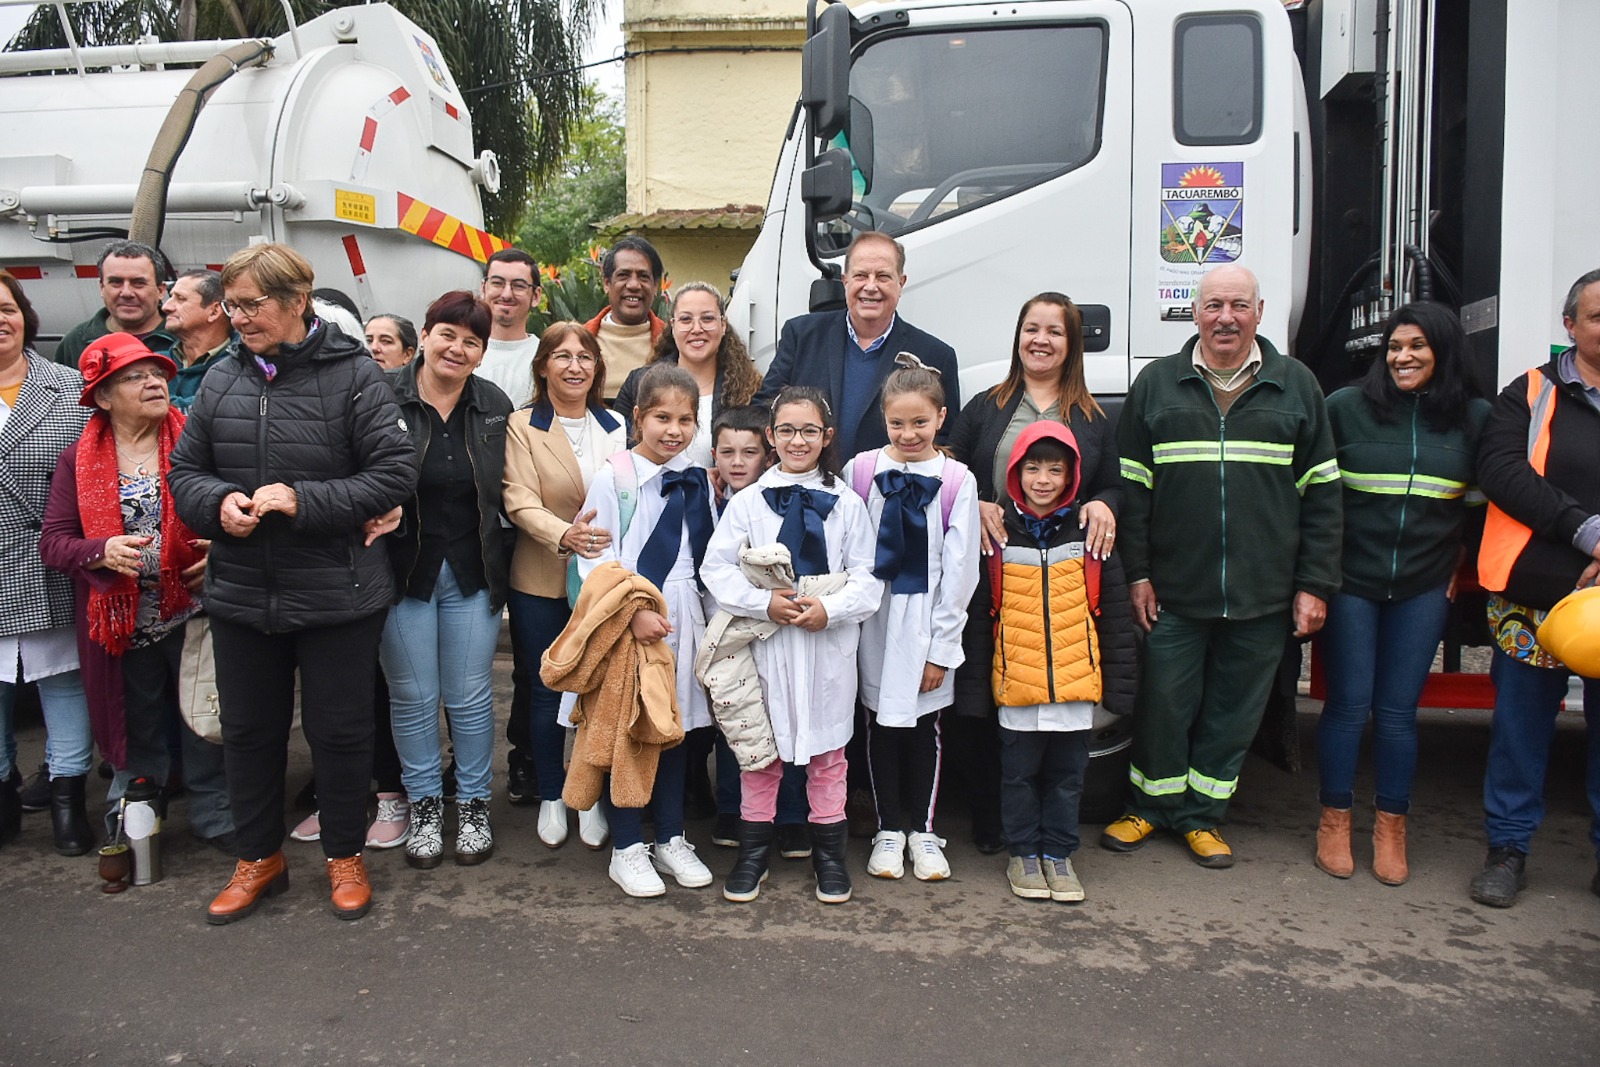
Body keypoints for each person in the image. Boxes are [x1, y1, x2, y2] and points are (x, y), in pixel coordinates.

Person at [168, 242, 418, 924]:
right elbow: (183, 473)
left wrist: (302, 501)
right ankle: (259, 859)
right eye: (232, 305)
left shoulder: (355, 374)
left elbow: (394, 472)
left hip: (338, 592)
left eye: (251, 304)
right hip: (244, 592)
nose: (238, 318)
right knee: (249, 733)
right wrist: (217, 503)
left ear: (297, 302)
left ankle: (344, 854)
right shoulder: (223, 377)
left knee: (339, 734)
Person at [1105, 264, 1341, 868]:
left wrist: (1314, 585)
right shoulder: (1157, 385)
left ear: (1260, 313)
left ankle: (1202, 817)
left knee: (1234, 713)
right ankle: (1148, 808)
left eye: (1239, 305)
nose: (1225, 318)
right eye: (1213, 306)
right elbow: (1132, 494)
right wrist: (1137, 575)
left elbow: (1322, 494)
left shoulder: (1298, 387)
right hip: (1175, 592)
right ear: (1194, 312)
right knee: (1163, 705)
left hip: (1264, 593)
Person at [1316, 302, 1489, 885]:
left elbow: (1478, 507)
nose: (1402, 356)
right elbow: (1317, 500)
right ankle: (1334, 820)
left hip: (1423, 585)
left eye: (1416, 346)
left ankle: (1391, 826)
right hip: (1352, 584)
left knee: (1397, 713)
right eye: (1394, 346)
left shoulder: (1473, 418)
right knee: (1346, 706)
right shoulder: (1345, 409)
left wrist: (1460, 556)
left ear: (1442, 351)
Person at [39, 332, 233, 852]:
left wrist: (221, 551)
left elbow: (236, 512)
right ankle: (138, 821)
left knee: (206, 719)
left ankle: (215, 813)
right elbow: (55, 542)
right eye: (135, 377)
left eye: (158, 374)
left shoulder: (196, 440)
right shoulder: (78, 459)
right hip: (122, 621)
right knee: (136, 724)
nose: (154, 383)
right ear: (103, 396)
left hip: (193, 610)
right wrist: (99, 551)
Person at [947, 292, 1120, 854]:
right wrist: (971, 503)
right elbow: (948, 468)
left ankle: (1043, 826)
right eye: (1031, 328)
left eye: (1055, 331)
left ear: (1071, 345)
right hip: (988, 567)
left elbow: (1114, 482)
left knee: (1045, 699)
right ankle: (991, 817)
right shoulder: (986, 405)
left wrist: (1105, 503)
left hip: (1058, 575)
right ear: (1017, 336)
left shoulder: (1090, 417)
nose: (1040, 340)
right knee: (982, 691)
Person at [700, 386, 883, 904]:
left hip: (826, 649)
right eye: (786, 430)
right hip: (768, 648)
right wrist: (763, 604)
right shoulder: (749, 501)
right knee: (761, 753)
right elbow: (716, 568)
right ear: (770, 436)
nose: (797, 440)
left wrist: (831, 609)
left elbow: (869, 577)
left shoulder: (847, 504)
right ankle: (753, 854)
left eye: (808, 431)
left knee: (828, 754)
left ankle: (829, 856)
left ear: (825, 437)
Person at [1469, 268, 1600, 908]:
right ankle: (1508, 850)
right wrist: (1584, 534)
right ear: (1569, 326)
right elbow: (1500, 470)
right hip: (1538, 592)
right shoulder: (1529, 392)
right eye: (1596, 316)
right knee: (1521, 731)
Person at [380, 291, 513, 869]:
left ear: (482, 353)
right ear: (426, 336)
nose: (457, 348)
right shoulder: (381, 396)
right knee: (413, 698)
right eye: (448, 334)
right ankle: (426, 804)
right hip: (402, 570)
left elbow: (515, 483)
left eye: (471, 340)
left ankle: (475, 803)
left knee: (470, 696)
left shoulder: (493, 406)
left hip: (471, 570)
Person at [573, 364, 716, 897]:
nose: (673, 429)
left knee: (672, 728)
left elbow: (706, 551)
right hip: (630, 615)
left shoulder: (697, 476)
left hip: (683, 615)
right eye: (661, 417)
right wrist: (631, 612)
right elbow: (597, 557)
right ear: (638, 417)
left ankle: (672, 837)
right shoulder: (614, 476)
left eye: (685, 419)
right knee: (629, 727)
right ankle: (627, 846)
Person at [843, 355, 980, 882]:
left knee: (924, 727)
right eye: (897, 423)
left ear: (941, 419)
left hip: (924, 621)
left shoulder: (954, 480)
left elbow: (961, 571)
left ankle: (922, 830)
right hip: (872, 620)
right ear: (883, 419)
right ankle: (886, 829)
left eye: (919, 422)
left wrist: (941, 648)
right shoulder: (861, 470)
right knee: (878, 725)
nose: (908, 433)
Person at [991, 421, 1136, 902]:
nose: (1043, 479)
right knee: (1018, 777)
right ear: (1015, 472)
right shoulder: (998, 537)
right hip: (1018, 690)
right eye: (1033, 467)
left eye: (1056, 469)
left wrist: (1119, 687)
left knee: (1067, 779)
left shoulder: (1089, 533)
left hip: (1076, 689)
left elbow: (1113, 615)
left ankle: (1058, 853)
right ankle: (1023, 854)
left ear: (1072, 476)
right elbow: (980, 618)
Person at [503, 323, 626, 850]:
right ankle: (552, 792)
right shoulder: (522, 424)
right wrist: (565, 535)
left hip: (603, 580)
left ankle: (587, 794)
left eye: (585, 356)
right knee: (542, 685)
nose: (574, 366)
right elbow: (518, 498)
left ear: (597, 367)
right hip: (542, 576)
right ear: (543, 366)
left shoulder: (619, 424)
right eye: (562, 356)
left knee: (596, 687)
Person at [0, 270, 95, 855]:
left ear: (25, 317)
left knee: (65, 688)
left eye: (6, 309)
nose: (0, 323)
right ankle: (4, 795)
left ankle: (67, 801)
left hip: (50, 562)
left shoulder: (67, 387)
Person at [755, 231, 961, 458]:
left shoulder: (936, 355)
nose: (871, 286)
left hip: (889, 490)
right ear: (845, 281)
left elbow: (945, 440)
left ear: (900, 283)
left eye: (883, 277)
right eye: (861, 275)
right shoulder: (801, 335)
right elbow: (764, 409)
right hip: (811, 487)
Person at [475, 247, 544, 804]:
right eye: (498, 284)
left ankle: (527, 757)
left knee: (531, 658)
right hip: (474, 524)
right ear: (483, 289)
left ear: (534, 296)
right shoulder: (462, 350)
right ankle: (463, 765)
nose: (507, 294)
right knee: (472, 654)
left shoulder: (546, 358)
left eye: (519, 286)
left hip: (530, 525)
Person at [613, 282, 764, 466]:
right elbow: (617, 449)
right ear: (673, 326)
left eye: (707, 318)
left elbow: (761, 456)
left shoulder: (749, 389)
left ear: (723, 325)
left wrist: (723, 476)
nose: (697, 328)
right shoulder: (638, 383)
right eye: (686, 319)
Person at [54, 241, 178, 368]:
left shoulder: (183, 338)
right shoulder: (75, 342)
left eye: (139, 283)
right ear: (102, 287)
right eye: (116, 282)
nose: (126, 293)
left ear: (161, 290)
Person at [584, 236, 666, 397]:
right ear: (607, 283)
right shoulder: (581, 340)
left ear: (656, 286)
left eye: (643, 276)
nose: (634, 285)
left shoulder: (673, 342)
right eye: (623, 275)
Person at [160, 269, 236, 413]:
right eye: (170, 297)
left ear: (214, 311)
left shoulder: (245, 366)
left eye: (180, 299)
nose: (166, 307)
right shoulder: (154, 363)